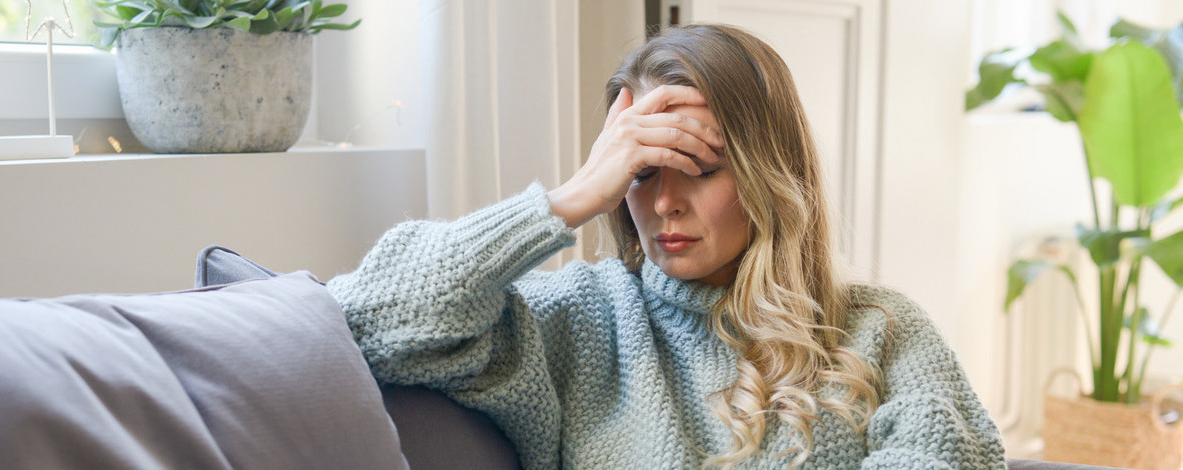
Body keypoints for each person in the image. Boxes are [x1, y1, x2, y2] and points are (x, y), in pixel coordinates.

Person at [327, 24, 1005, 469]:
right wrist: (568, 198)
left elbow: (948, 456)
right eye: (642, 172)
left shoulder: (879, 327)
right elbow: (365, 319)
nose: (663, 204)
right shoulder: (580, 319)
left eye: (700, 169)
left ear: (771, 173)